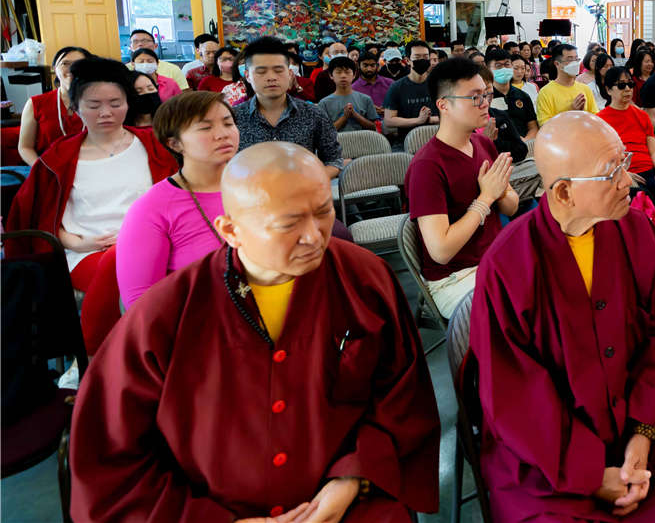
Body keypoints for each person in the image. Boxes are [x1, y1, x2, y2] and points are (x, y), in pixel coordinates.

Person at [71, 142, 441, 522]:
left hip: (350, 505)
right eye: (288, 224)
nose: (314, 237)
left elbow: (402, 399)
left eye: (323, 212)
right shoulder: (164, 316)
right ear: (231, 230)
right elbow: (110, 457)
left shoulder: (365, 280)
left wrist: (355, 477)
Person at [469, 112, 655, 521]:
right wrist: (590, 473)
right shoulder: (508, 264)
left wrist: (643, 435)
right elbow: (513, 393)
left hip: (647, 423)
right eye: (612, 172)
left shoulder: (637, 232)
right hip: (551, 457)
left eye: (625, 162)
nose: (629, 181)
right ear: (564, 192)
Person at [8, 58, 178, 296]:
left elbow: (177, 202)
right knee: (123, 275)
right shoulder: (58, 158)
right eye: (94, 105)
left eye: (115, 103)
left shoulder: (153, 147)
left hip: (152, 245)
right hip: (87, 252)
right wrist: (75, 242)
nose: (105, 113)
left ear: (128, 104)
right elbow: (37, 216)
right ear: (76, 107)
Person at [406, 57, 518, 318]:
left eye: (486, 95)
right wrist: (486, 198)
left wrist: (500, 191)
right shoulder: (427, 166)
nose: (485, 103)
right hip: (455, 278)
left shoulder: (483, 144)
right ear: (444, 105)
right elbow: (441, 251)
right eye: (475, 97)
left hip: (493, 259)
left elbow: (511, 207)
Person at [115, 91, 238, 308]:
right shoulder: (151, 208)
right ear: (175, 144)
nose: (222, 134)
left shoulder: (258, 185)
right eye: (205, 128)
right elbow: (140, 303)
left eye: (228, 124)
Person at [231, 37, 342, 179]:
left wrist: (311, 180)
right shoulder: (233, 118)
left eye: (278, 70)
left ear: (290, 74)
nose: (271, 77)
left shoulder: (313, 114)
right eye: (261, 72)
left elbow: (334, 160)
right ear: (247, 76)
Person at [596, 65, 655, 198]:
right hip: (624, 173)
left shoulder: (642, 115)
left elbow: (654, 150)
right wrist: (621, 173)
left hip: (650, 170)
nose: (627, 89)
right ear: (608, 90)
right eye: (621, 85)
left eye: (630, 84)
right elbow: (601, 158)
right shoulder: (600, 121)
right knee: (641, 196)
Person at [18, 44, 89, 165]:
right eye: (65, 63)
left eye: (80, 64)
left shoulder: (100, 102)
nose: (72, 69)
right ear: (55, 69)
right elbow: (25, 147)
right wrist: (42, 169)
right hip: (47, 168)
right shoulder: (36, 104)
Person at [383, 40, 440, 140]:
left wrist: (430, 119)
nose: (422, 60)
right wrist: (418, 120)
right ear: (408, 60)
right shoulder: (397, 87)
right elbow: (389, 120)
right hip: (407, 140)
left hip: (437, 137)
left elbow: (451, 114)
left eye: (425, 57)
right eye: (417, 57)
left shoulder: (438, 84)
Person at [536, 43, 598, 125]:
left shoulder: (585, 89)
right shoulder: (545, 93)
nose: (575, 63)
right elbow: (545, 125)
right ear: (557, 64)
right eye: (570, 60)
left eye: (576, 59)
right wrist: (570, 113)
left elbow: (595, 118)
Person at [318, 56, 379, 131]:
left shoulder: (366, 99)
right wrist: (344, 117)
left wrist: (355, 115)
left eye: (347, 72)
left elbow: (374, 127)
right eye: (338, 72)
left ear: (354, 75)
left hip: (363, 138)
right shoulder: (324, 103)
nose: (343, 76)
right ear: (331, 75)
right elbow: (324, 132)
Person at [488, 49, 538, 140]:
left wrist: (525, 141)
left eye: (507, 64)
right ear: (488, 69)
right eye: (498, 66)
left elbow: (533, 127)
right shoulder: (486, 98)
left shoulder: (523, 96)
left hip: (523, 144)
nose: (504, 69)